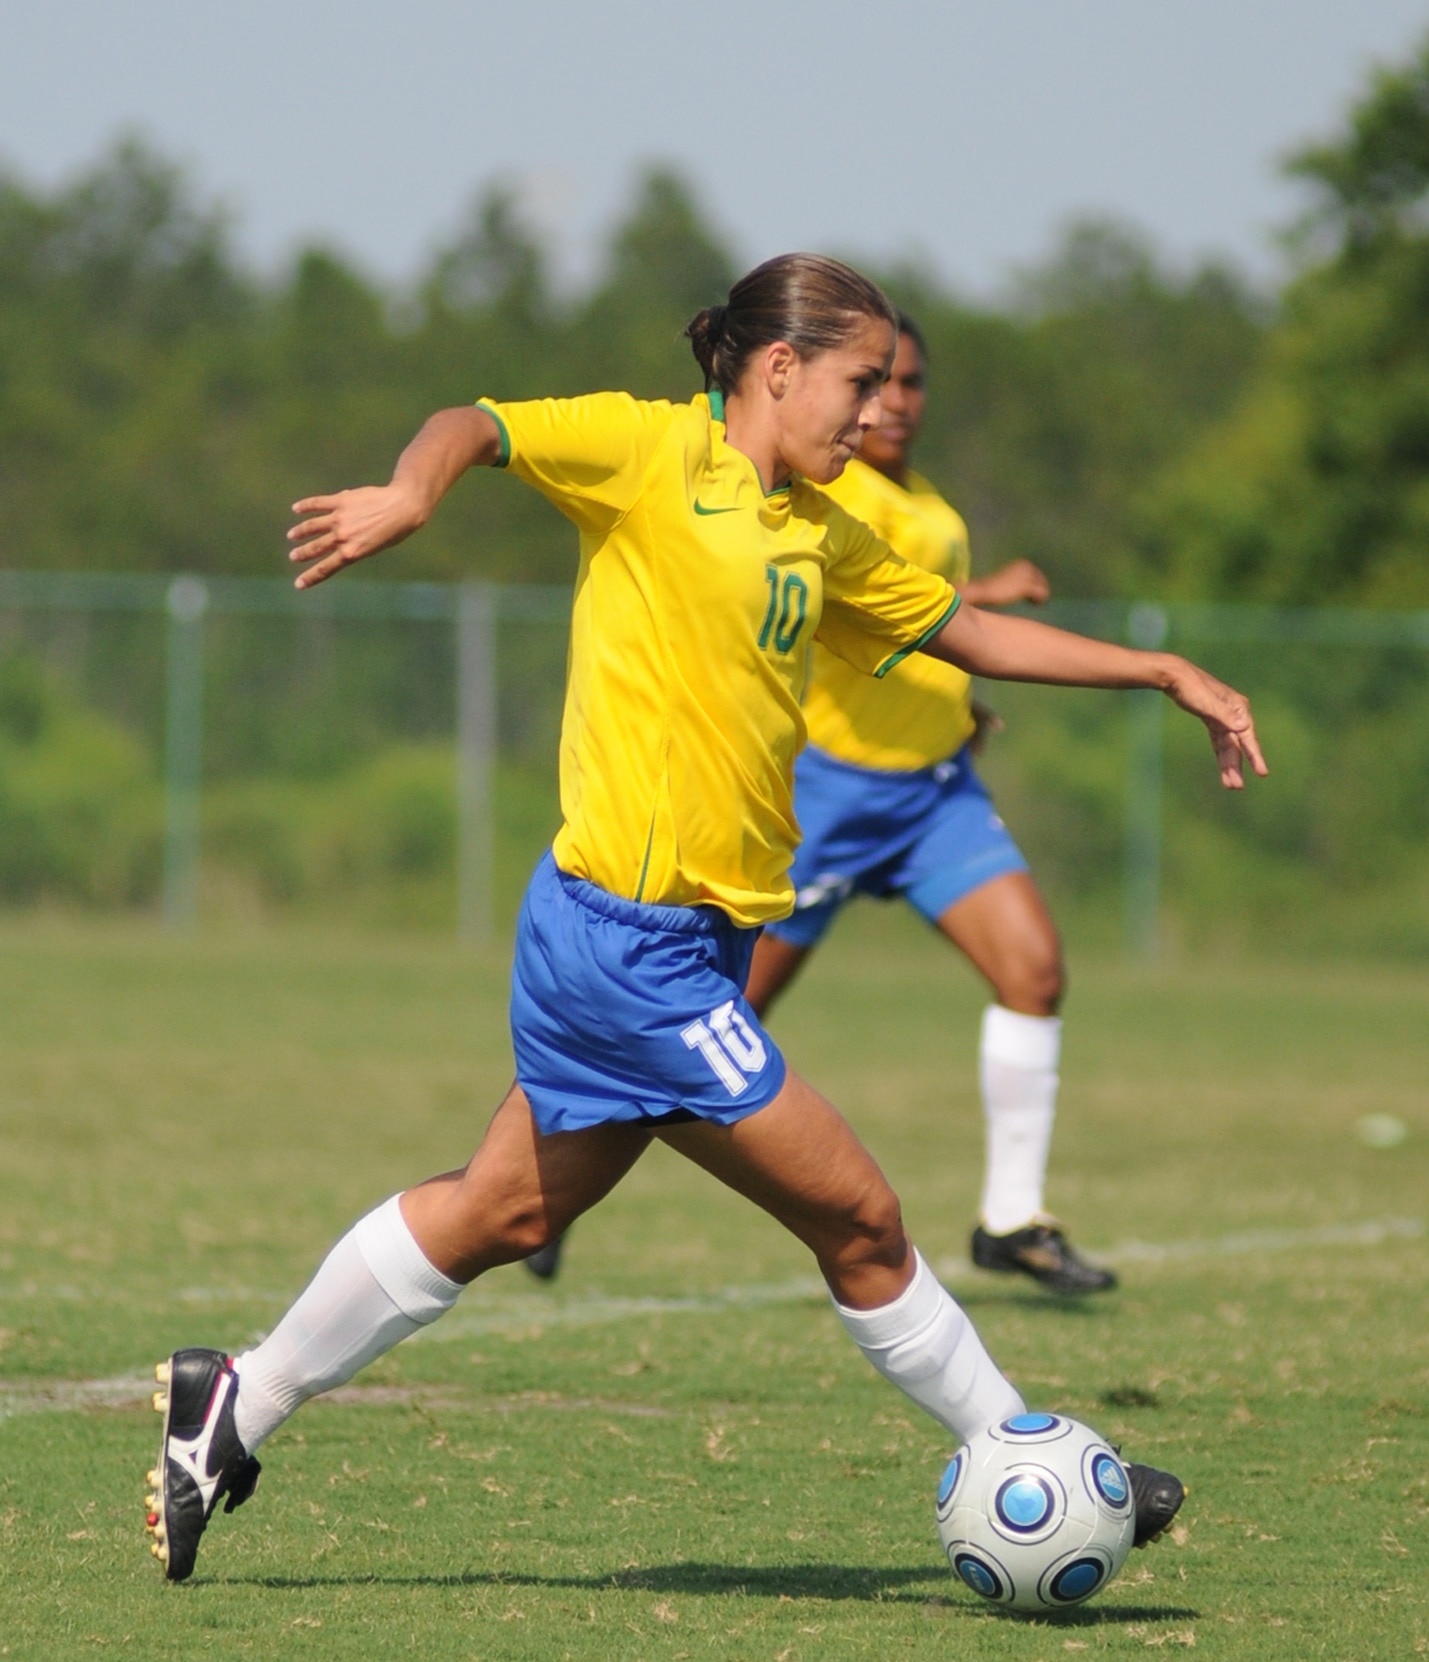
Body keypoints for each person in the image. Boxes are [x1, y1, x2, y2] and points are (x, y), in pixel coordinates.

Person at [143, 254, 1264, 1585]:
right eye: (857, 384)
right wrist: (409, 489)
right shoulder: (645, 450)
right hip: (628, 947)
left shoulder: (821, 529)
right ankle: (1029, 1453)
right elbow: (478, 426)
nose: (872, 412)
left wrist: (1159, 669)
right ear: (775, 368)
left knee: (500, 1211)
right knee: (859, 1218)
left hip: (681, 943)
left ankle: (235, 1405)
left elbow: (963, 631)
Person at [742, 312, 1109, 1295]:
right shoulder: (823, 485)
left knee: (1033, 969)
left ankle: (1010, 1218)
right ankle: (548, 1182)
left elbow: (931, 624)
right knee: (721, 1018)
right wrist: (983, 593)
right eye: (874, 382)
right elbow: (866, 603)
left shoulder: (936, 504)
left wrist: (962, 700)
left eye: (906, 385)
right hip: (827, 789)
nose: (891, 402)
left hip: (934, 792)